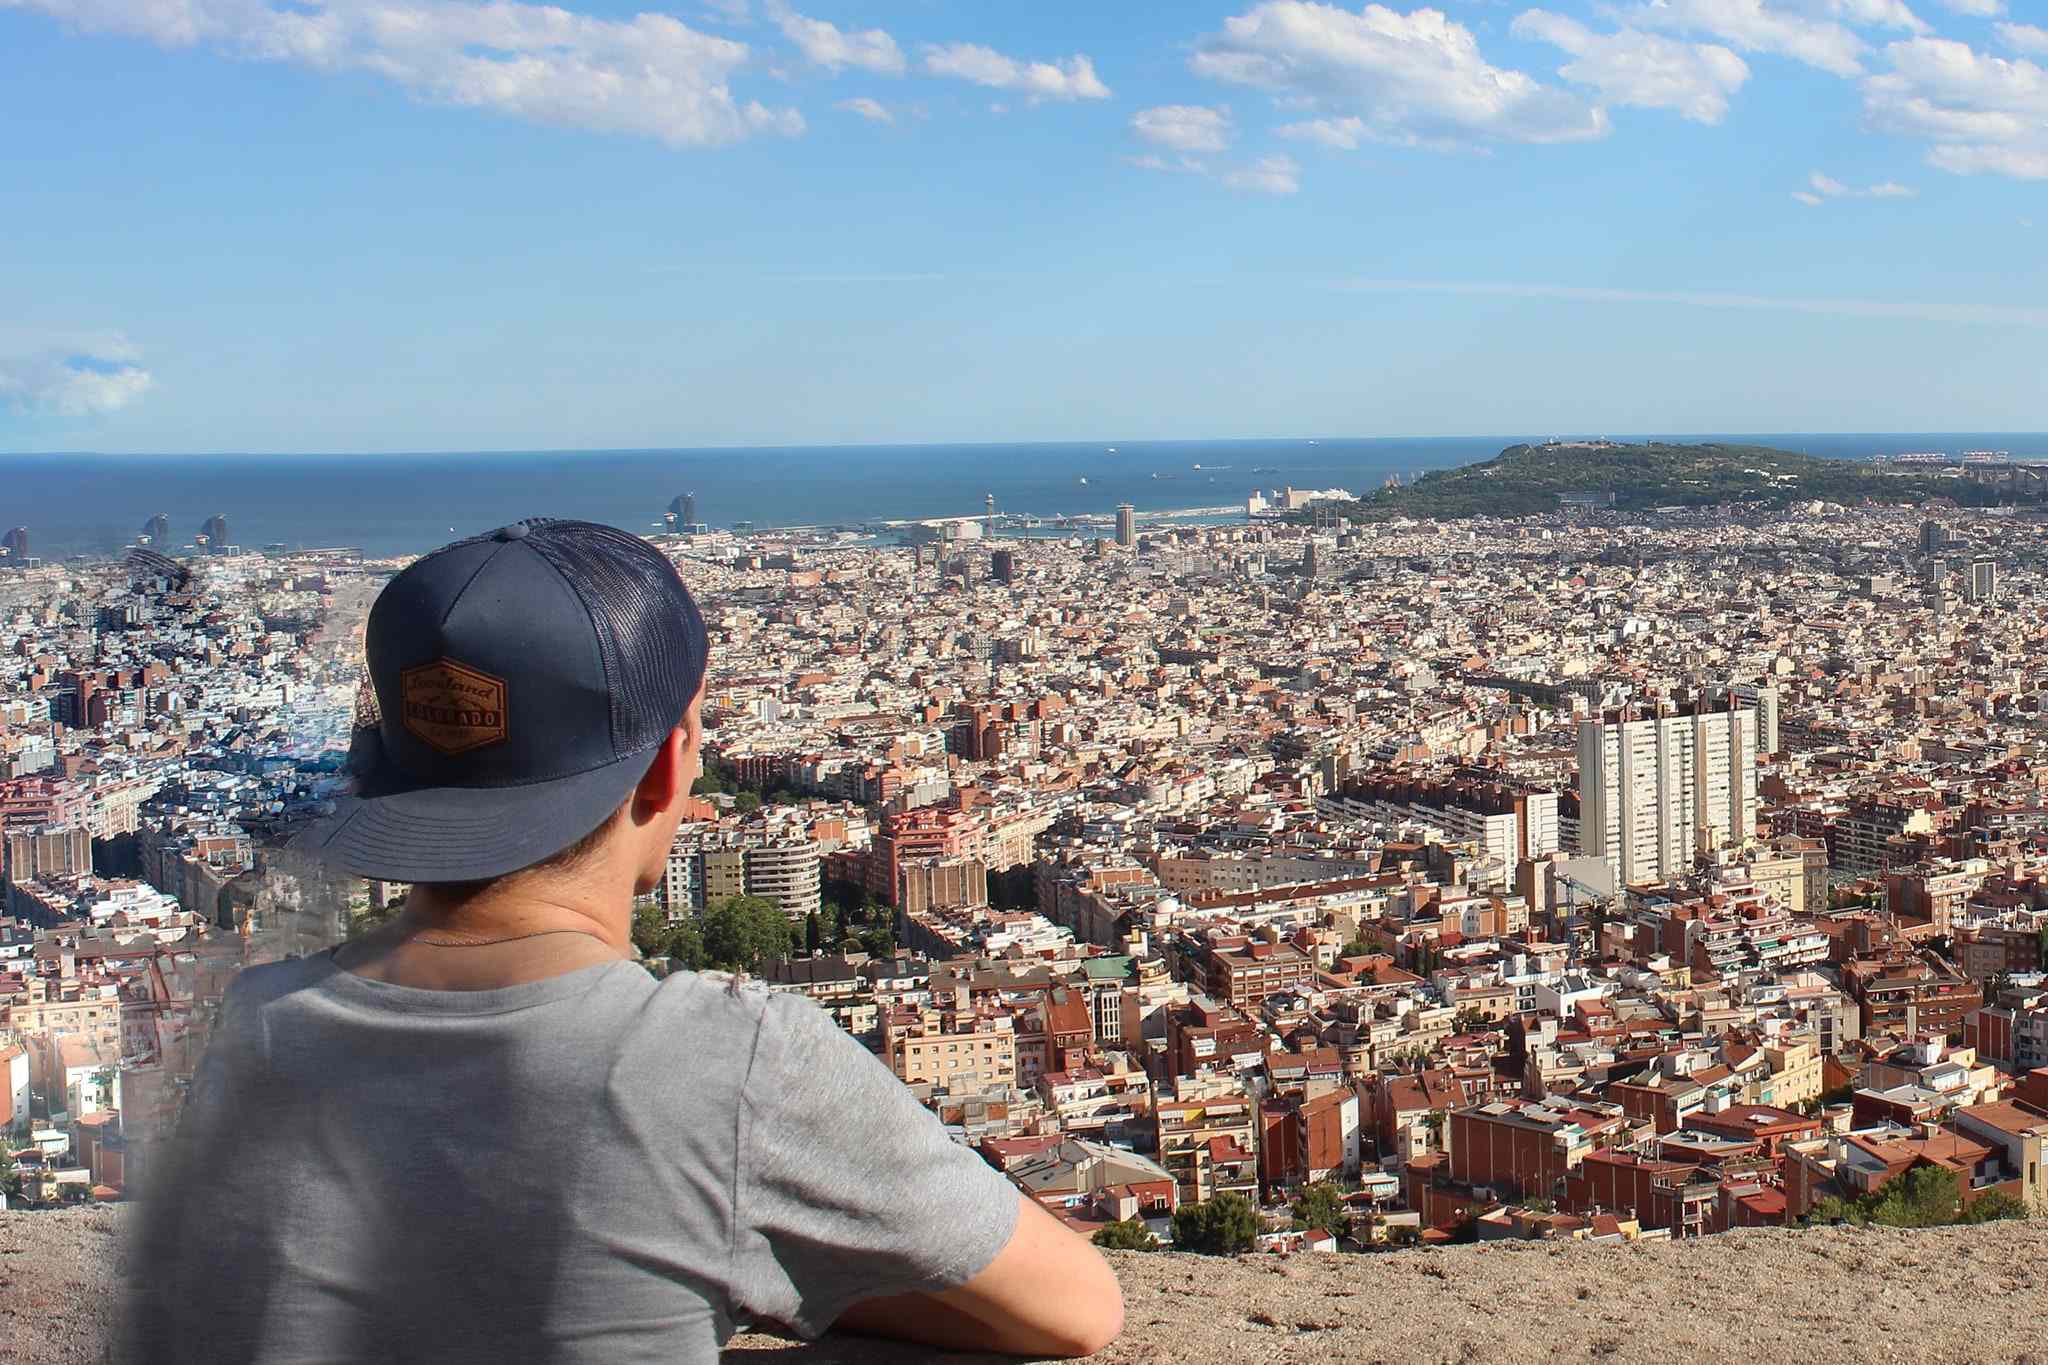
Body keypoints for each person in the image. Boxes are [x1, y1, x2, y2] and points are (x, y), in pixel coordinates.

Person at [120, 519, 1123, 1363]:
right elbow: (1078, 1309)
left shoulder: (248, 1027)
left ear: (383, 766)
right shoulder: (727, 1064)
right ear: (668, 766)